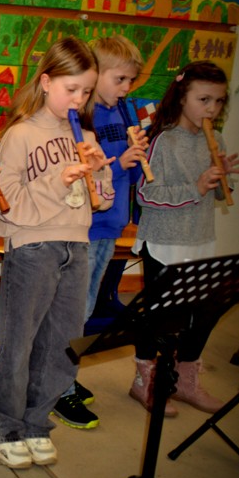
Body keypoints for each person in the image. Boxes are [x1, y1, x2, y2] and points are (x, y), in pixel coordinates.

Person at [0, 36, 114, 469]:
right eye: (70, 89)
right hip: (33, 248)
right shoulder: (20, 135)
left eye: (86, 92)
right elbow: (8, 210)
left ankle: (37, 422)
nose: (78, 100)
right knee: (19, 344)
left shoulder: (87, 135)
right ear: (45, 82)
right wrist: (59, 181)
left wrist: (100, 176)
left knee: (62, 344)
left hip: (77, 246)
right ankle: (4, 425)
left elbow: (101, 203)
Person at [131, 60, 239, 414]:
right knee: (159, 317)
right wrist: (196, 187)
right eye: (204, 99)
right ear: (182, 97)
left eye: (219, 101)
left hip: (199, 238)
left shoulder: (216, 139)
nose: (212, 109)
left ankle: (185, 380)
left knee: (203, 313)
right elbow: (146, 194)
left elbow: (217, 193)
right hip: (164, 242)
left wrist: (223, 180)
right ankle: (145, 381)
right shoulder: (164, 140)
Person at [52, 35, 148, 429]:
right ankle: (58, 387)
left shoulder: (122, 113)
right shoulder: (88, 120)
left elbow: (130, 175)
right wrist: (121, 163)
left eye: (130, 81)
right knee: (73, 312)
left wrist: (138, 160)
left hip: (111, 225)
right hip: (87, 228)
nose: (126, 88)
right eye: (119, 79)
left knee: (87, 308)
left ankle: (64, 376)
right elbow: (86, 176)